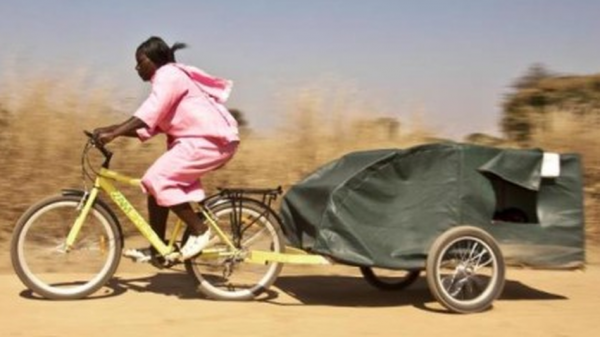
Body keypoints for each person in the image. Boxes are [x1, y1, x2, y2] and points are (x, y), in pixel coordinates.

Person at [93, 36, 239, 262]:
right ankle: (158, 249)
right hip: (200, 141)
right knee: (154, 188)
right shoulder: (167, 80)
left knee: (156, 178)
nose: (136, 68)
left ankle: (201, 231)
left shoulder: (168, 75)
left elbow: (150, 112)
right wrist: (111, 129)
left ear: (154, 60)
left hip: (210, 140)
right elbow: (150, 125)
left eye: (140, 61)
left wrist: (114, 133)